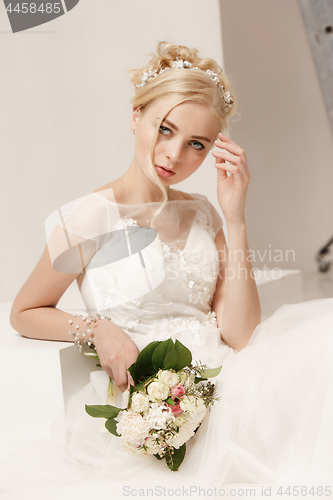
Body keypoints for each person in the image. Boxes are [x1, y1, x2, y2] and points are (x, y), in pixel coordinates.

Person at [6, 41, 333, 498]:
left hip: (226, 385)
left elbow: (241, 334)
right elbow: (24, 310)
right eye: (165, 129)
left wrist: (235, 217)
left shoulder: (204, 213)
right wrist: (96, 327)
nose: (174, 155)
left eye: (195, 144)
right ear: (136, 115)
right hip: (151, 404)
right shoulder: (90, 215)